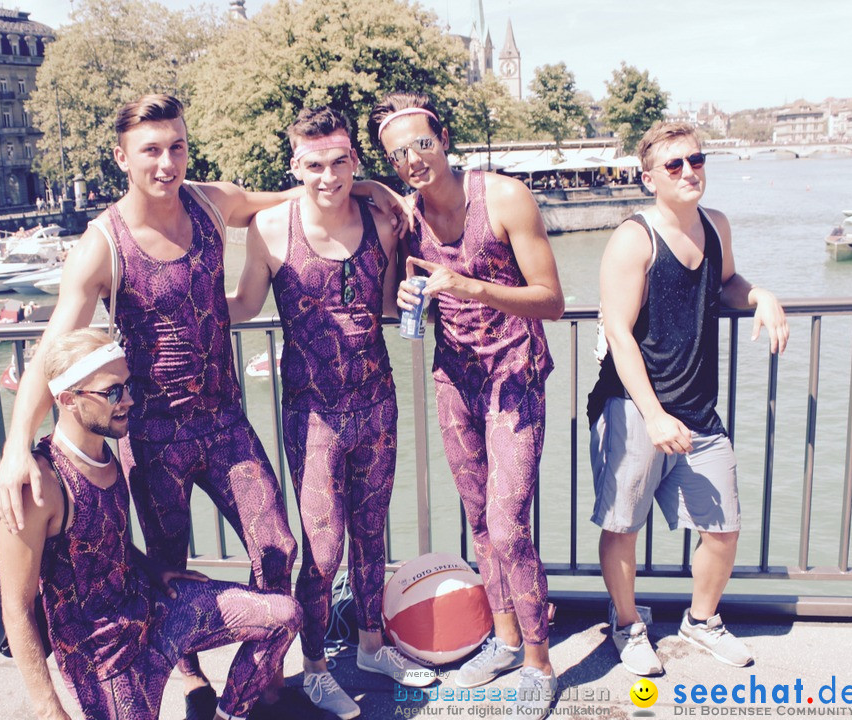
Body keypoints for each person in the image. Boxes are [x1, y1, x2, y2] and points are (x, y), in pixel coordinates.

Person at [0, 94, 403, 712]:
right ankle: (187, 675)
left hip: (225, 421)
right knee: (167, 562)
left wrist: (364, 183)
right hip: (152, 435)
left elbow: (299, 194)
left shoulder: (211, 203)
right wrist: (16, 449)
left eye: (177, 146)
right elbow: (55, 348)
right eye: (151, 150)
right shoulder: (103, 244)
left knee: (279, 549)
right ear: (121, 158)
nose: (166, 163)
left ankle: (254, 684)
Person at [227, 106, 431, 719]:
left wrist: (426, 291)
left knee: (372, 534)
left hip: (377, 399)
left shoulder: (381, 220)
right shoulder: (269, 229)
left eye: (341, 161)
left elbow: (396, 308)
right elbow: (241, 307)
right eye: (314, 163)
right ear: (295, 165)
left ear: (354, 161)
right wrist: (169, 300)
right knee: (323, 549)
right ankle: (314, 668)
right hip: (312, 413)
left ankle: (371, 645)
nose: (328, 175)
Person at [371, 92, 565, 718]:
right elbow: (389, 309)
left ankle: (539, 660)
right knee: (480, 516)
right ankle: (505, 638)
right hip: (455, 377)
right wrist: (403, 295)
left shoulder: (504, 198)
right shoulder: (405, 219)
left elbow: (552, 300)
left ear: (445, 138)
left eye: (421, 144)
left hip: (515, 373)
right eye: (398, 153)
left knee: (510, 523)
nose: (412, 160)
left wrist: (470, 284)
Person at [0, 327, 302, 720]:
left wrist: (154, 569)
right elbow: (16, 608)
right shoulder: (40, 485)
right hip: (106, 662)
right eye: (112, 392)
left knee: (284, 615)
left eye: (127, 387)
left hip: (155, 611)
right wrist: (48, 711)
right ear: (68, 400)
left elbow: (106, 541)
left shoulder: (108, 452)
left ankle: (228, 714)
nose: (127, 400)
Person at [587, 121, 788, 676]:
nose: (689, 172)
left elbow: (725, 283)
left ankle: (701, 623)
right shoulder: (634, 237)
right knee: (622, 526)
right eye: (674, 166)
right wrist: (651, 416)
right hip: (633, 407)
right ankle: (627, 626)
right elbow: (618, 331)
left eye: (696, 160)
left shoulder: (716, 225)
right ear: (649, 177)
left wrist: (760, 294)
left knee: (723, 527)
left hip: (699, 409)